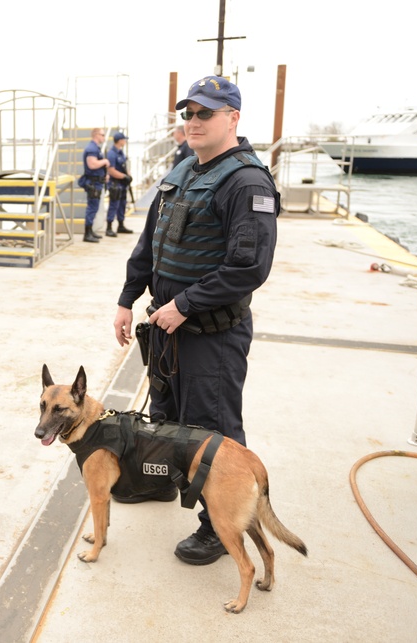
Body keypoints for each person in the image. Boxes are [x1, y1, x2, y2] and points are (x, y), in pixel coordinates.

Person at [111, 76, 280, 565]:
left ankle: (219, 526)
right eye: (188, 113)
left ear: (233, 118)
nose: (194, 122)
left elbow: (249, 268)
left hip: (212, 335)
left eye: (205, 113)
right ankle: (162, 482)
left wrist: (185, 304)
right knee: (165, 419)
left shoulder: (246, 182)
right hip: (167, 331)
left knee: (212, 430)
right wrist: (128, 297)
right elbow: (150, 245)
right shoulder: (184, 168)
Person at [78, 127, 109, 243]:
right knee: (92, 208)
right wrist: (104, 162)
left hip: (97, 182)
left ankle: (90, 231)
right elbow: (92, 164)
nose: (104, 137)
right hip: (93, 183)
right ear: (96, 135)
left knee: (94, 207)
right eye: (102, 135)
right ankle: (87, 234)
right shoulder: (92, 148)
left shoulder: (95, 148)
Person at [104, 131, 134, 237]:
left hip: (122, 184)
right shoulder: (112, 153)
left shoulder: (121, 152)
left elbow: (124, 166)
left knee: (122, 205)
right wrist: (124, 176)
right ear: (120, 141)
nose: (125, 141)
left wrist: (128, 175)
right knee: (113, 205)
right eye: (124, 139)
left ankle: (121, 225)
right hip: (115, 183)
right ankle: (109, 227)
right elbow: (111, 170)